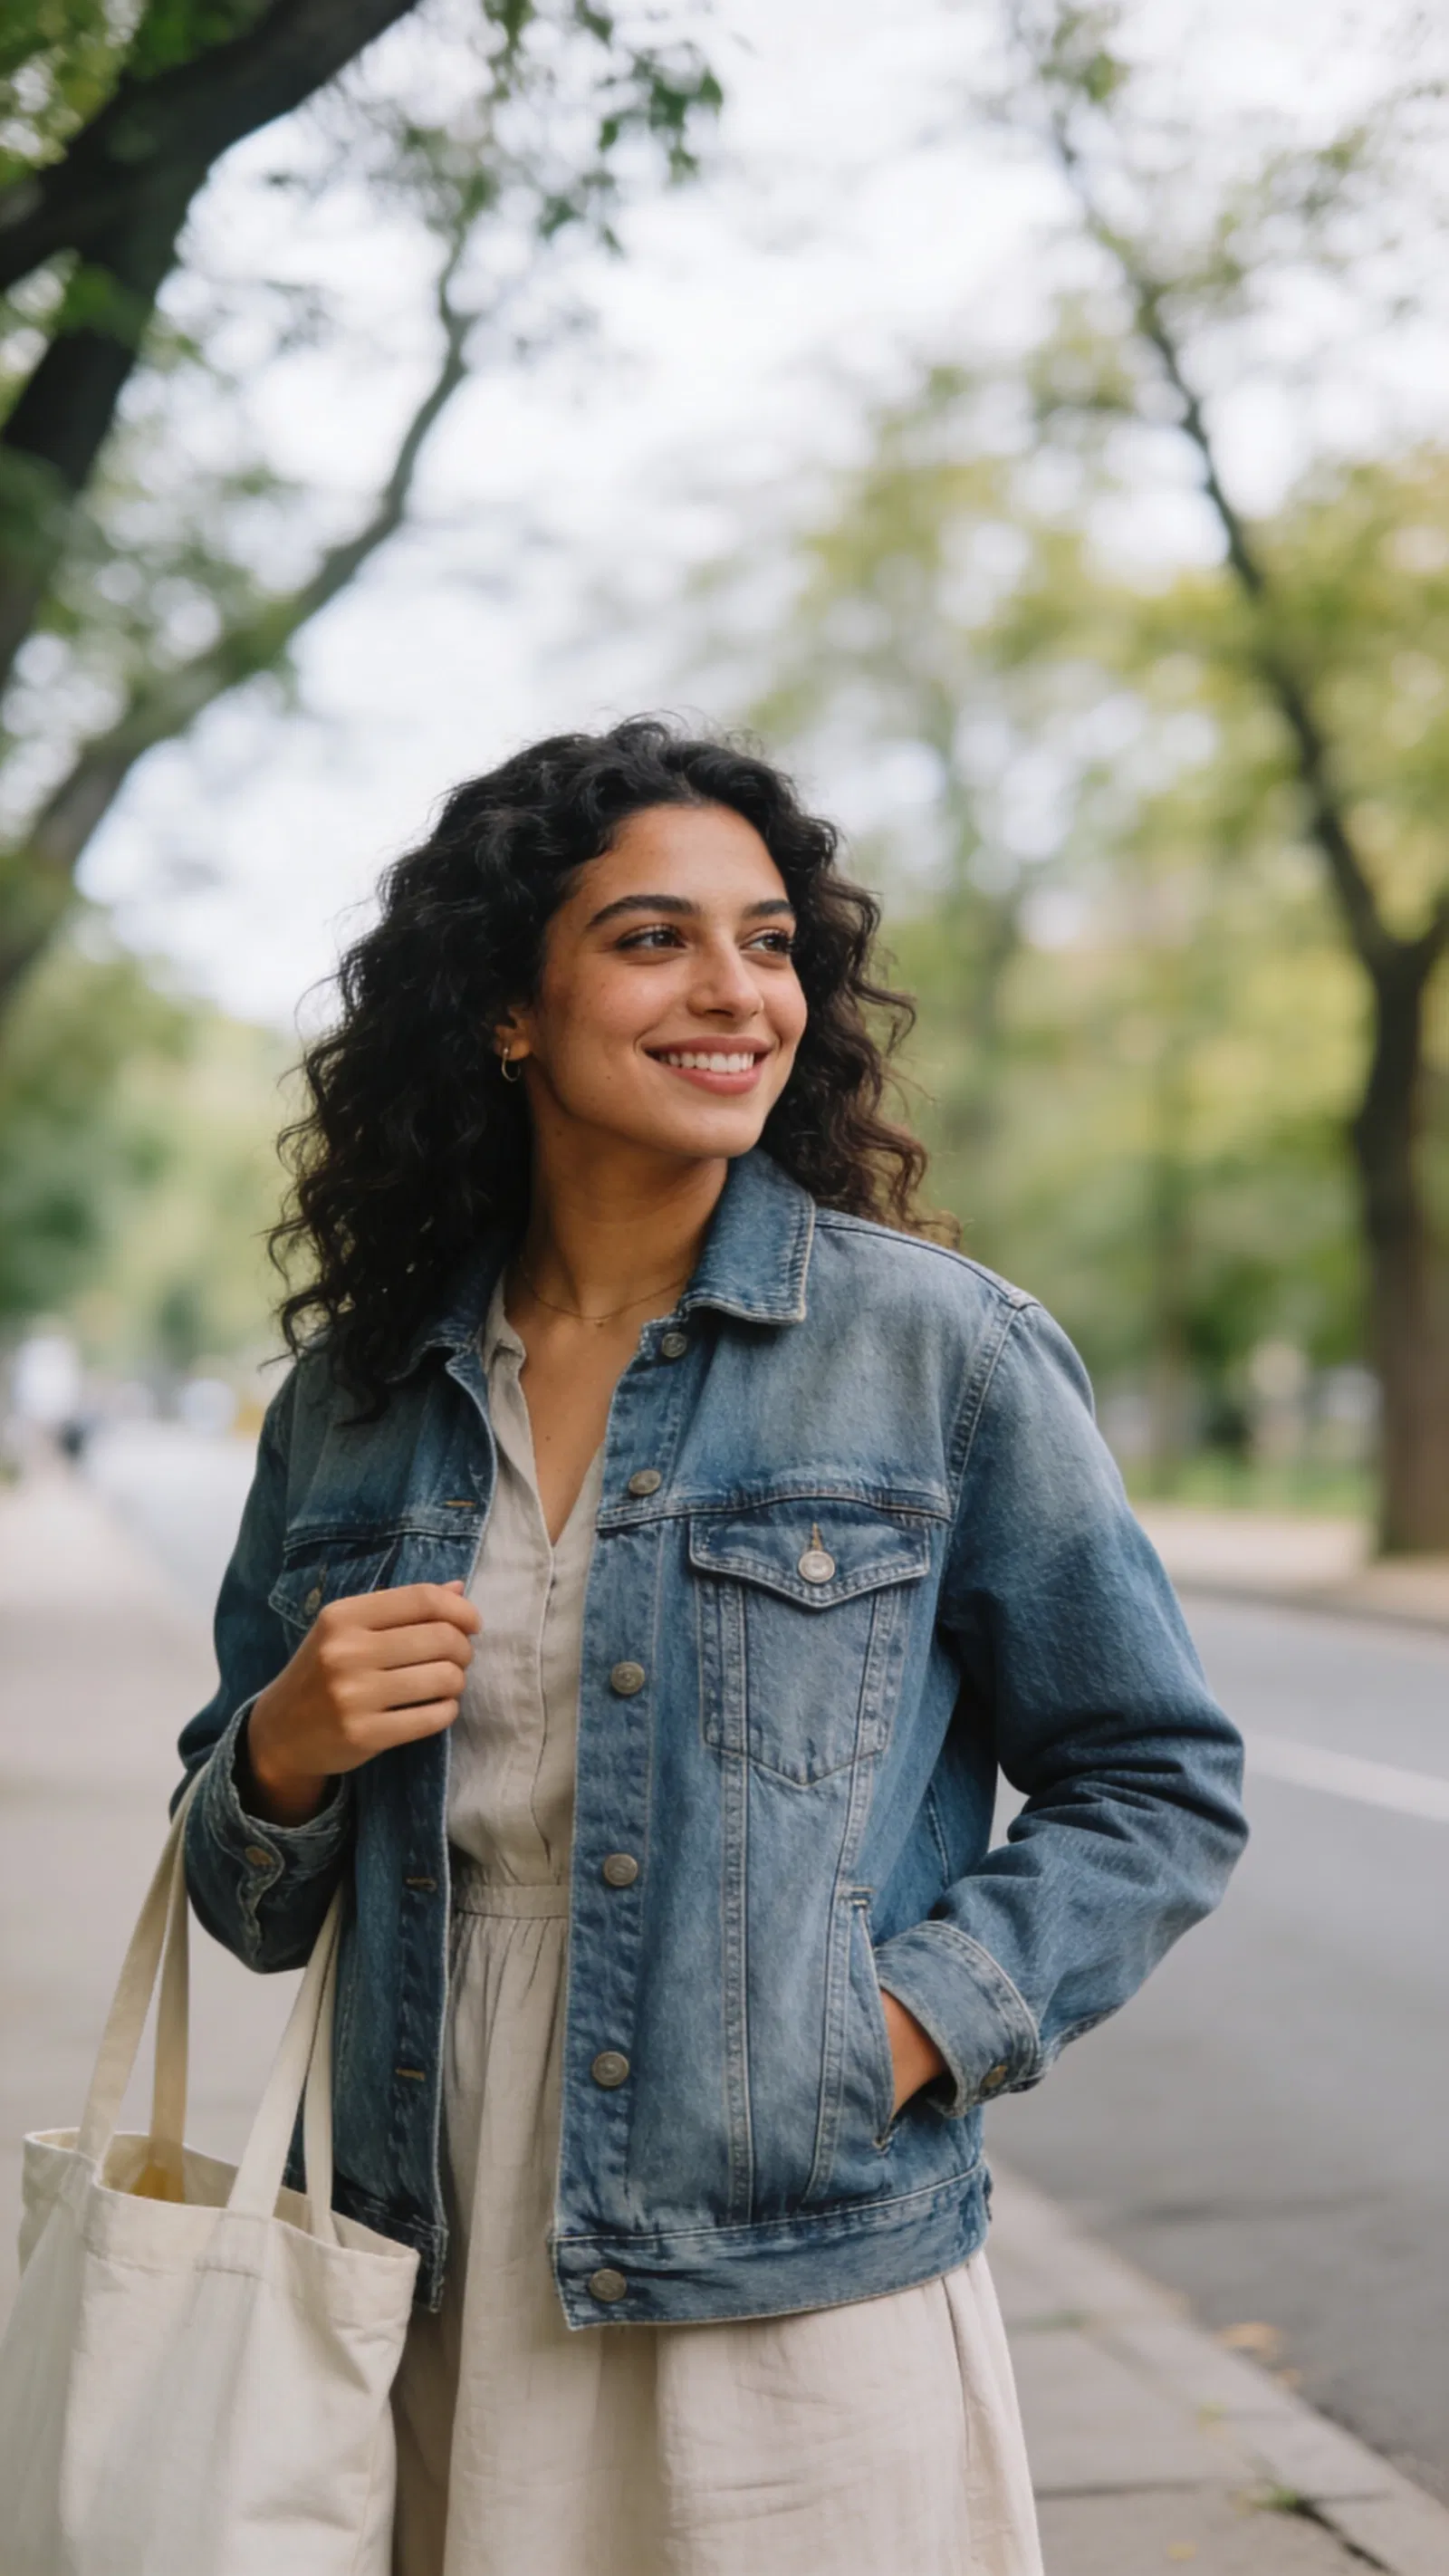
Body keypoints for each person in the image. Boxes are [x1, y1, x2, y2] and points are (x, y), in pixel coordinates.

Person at [178, 718, 1246, 2576]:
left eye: (767, 943)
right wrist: (279, 1750)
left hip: (786, 2247)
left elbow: (1155, 1780)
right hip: (416, 2237)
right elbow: (246, 1902)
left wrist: (903, 2026)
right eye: (652, 938)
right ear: (510, 1004)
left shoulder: (935, 1354)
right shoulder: (356, 1399)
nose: (732, 991)